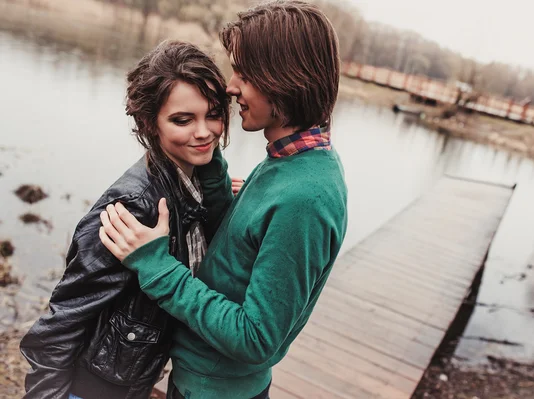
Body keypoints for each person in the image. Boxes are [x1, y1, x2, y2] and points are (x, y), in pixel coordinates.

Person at [98, 1, 348, 398]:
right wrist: (210, 162)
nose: (231, 87)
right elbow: (241, 251)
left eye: (244, 75)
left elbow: (256, 338)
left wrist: (156, 265)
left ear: (283, 80)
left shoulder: (305, 198)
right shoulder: (290, 160)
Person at [19, 40, 233, 399]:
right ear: (150, 123)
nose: (204, 131)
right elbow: (61, 323)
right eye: (183, 119)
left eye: (213, 114)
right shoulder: (135, 206)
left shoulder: (190, 185)